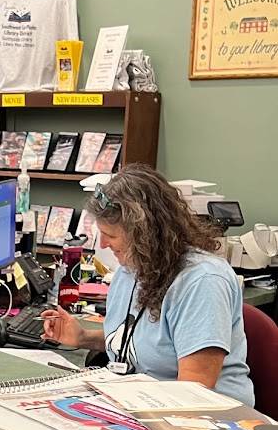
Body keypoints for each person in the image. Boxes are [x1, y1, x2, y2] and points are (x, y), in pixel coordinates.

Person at [41, 164, 254, 406]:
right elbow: (145, 342)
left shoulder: (202, 282)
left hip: (206, 421)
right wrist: (83, 338)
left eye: (110, 235)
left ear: (145, 234)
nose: (102, 245)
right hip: (140, 405)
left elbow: (195, 395)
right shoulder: (131, 270)